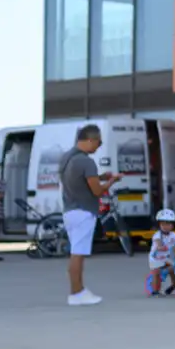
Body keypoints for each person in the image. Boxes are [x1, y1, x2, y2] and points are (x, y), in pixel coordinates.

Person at [60, 124, 122, 306]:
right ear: (90, 140)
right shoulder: (86, 161)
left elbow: (81, 180)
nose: (99, 146)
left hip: (70, 209)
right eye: (98, 142)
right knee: (78, 253)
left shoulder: (67, 158)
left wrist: (101, 176)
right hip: (84, 211)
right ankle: (77, 293)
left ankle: (78, 291)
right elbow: (96, 191)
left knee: (75, 252)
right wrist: (111, 181)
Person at [147, 208, 175, 295]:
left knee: (174, 268)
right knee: (157, 272)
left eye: (168, 224)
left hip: (167, 256)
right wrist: (160, 247)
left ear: (172, 225)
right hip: (156, 257)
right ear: (159, 225)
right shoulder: (157, 235)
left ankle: (174, 285)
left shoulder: (173, 234)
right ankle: (155, 290)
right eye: (163, 224)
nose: (166, 226)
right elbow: (158, 242)